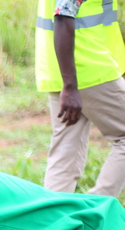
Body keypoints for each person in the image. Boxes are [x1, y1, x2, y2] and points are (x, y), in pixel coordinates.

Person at [36, 0, 125, 197]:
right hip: (87, 70)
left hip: (62, 70)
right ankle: (95, 210)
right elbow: (63, 16)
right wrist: (70, 86)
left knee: (65, 155)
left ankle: (55, 222)